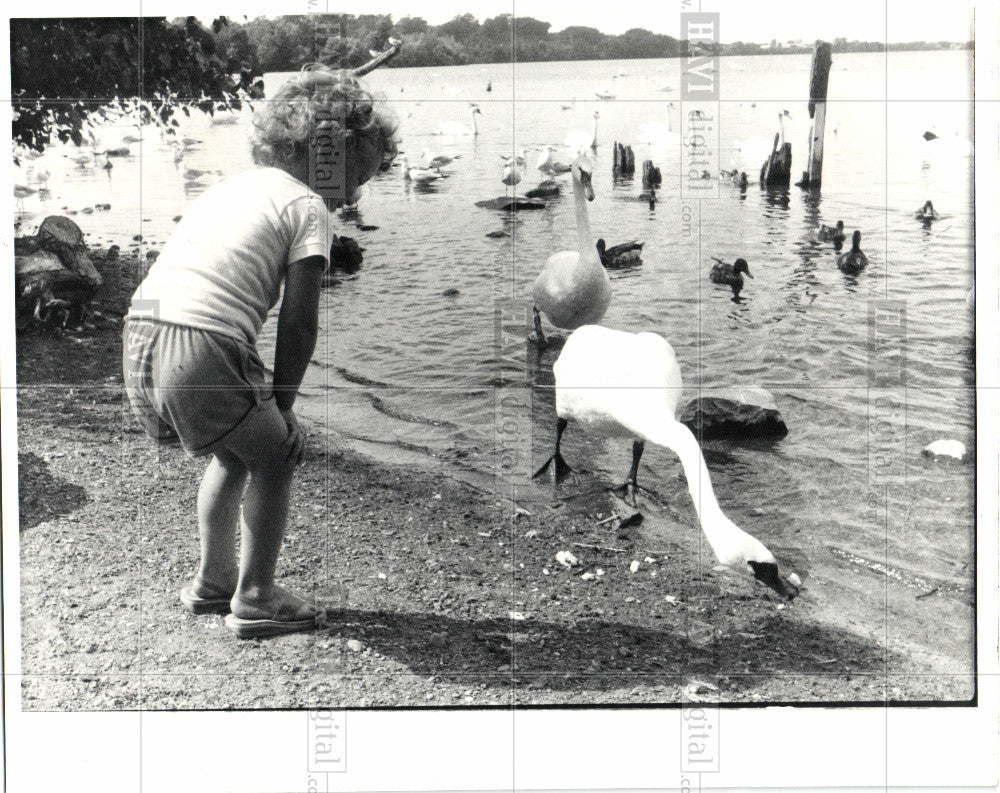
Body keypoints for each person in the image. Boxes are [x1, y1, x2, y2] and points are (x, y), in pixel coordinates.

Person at [123, 65, 398, 639]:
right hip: (204, 342)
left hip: (143, 335)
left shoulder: (231, 186)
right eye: (356, 176)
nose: (353, 195)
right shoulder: (308, 208)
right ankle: (255, 595)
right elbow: (300, 323)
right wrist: (285, 403)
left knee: (234, 452)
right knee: (278, 456)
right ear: (328, 155)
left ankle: (212, 583)